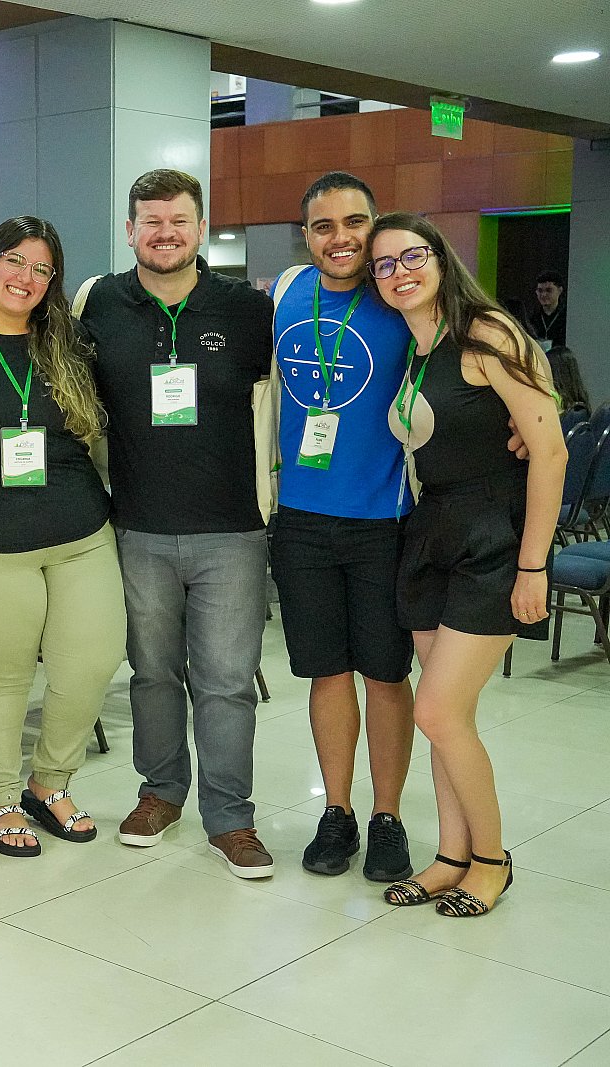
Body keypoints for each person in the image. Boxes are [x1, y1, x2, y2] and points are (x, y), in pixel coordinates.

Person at [80, 168, 277, 879]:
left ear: (201, 228)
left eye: (179, 221)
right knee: (153, 673)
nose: (165, 233)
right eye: (152, 221)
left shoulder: (246, 309)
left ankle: (231, 817)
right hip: (137, 527)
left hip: (232, 529)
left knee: (226, 680)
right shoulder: (99, 303)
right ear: (130, 230)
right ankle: (160, 792)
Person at [371, 213, 566, 916]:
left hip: (492, 537)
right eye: (384, 264)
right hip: (432, 535)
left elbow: (550, 449)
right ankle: (451, 855)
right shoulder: (415, 349)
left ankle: (491, 859)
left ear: (440, 257)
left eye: (411, 256)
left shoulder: (486, 331)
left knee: (437, 709)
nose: (400, 272)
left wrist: (533, 565)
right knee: (445, 717)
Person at [0, 217, 125, 857]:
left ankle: (50, 782)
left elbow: (99, 428)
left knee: (92, 660)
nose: (26, 277)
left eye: (42, 268)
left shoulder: (68, 337)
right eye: (15, 260)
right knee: (2, 675)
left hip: (78, 526)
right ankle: (1, 797)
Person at [268, 172, 416, 882]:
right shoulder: (286, 293)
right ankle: (338, 810)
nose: (341, 238)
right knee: (326, 672)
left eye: (355, 222)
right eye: (324, 226)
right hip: (300, 518)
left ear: (374, 225)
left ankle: (387, 816)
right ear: (306, 236)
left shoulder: (401, 296)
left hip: (384, 519)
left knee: (385, 674)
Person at [523, 271, 567, 352]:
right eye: (540, 290)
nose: (543, 295)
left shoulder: (567, 317)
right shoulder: (532, 317)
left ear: (560, 291)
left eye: (548, 290)